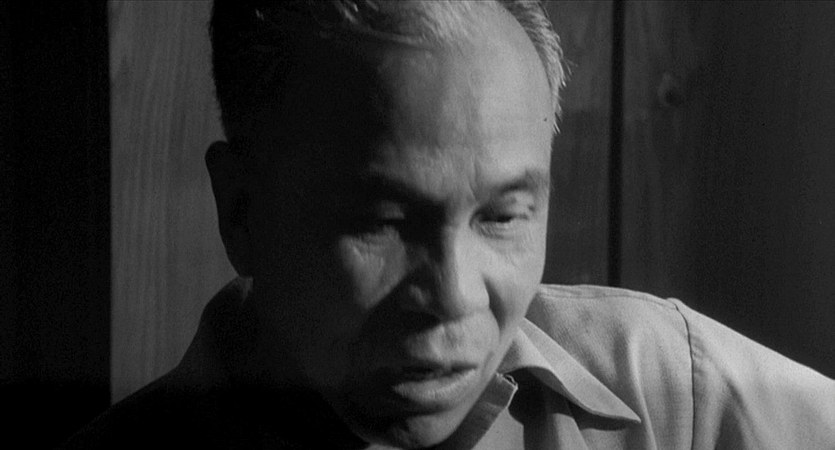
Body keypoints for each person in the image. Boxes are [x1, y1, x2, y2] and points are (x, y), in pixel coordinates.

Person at [64, 1, 835, 449]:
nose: (455, 295)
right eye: (381, 222)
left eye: (501, 215)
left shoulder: (668, 389)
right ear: (240, 210)